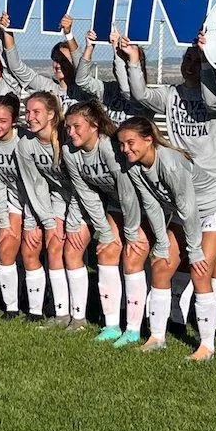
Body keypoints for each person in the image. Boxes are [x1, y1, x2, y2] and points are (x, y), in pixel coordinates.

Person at [124, 33, 216, 333]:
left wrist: (206, 64)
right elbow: (141, 95)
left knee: (213, 259)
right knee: (195, 257)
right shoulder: (171, 94)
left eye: (195, 59)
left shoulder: (214, 91)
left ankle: (210, 324)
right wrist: (134, 61)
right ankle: (177, 317)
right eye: (187, 58)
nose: (190, 64)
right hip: (182, 182)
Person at [117, 116, 216, 361]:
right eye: (122, 144)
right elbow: (152, 204)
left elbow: (189, 208)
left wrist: (194, 250)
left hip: (214, 209)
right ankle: (157, 337)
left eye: (131, 143)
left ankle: (206, 346)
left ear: (149, 140)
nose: (125, 149)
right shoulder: (135, 166)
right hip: (185, 212)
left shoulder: (170, 163)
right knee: (160, 265)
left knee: (200, 270)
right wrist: (161, 243)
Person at [63, 100, 149, 347]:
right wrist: (104, 232)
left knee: (133, 256)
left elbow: (129, 191)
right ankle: (112, 325)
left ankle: (133, 328)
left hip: (141, 203)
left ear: (94, 126)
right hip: (115, 204)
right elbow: (86, 193)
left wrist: (131, 233)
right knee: (106, 252)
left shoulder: (109, 149)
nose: (71, 133)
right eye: (68, 128)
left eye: (77, 126)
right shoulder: (71, 152)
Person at [16, 91, 90, 328]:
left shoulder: (68, 139)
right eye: (27, 112)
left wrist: (70, 222)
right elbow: (35, 187)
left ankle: (79, 318)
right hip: (60, 199)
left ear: (51, 114)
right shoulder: (26, 145)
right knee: (53, 246)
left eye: (36, 112)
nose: (30, 117)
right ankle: (61, 314)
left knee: (72, 250)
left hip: (87, 200)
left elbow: (84, 186)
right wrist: (49, 222)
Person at [0, 93, 37, 319]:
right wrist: (4, 220)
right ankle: (11, 307)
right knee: (5, 245)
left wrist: (31, 221)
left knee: (32, 249)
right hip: (13, 201)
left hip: (38, 204)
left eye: (2, 121)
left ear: (14, 121)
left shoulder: (24, 141)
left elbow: (36, 186)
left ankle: (37, 309)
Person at [0, 13, 89, 112]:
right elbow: (16, 67)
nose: (59, 64)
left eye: (64, 60)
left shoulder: (84, 90)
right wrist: (8, 30)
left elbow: (81, 64)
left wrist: (69, 34)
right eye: (56, 59)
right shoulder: (45, 87)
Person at [75, 26, 152, 124]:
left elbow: (126, 91)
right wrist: (89, 48)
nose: (120, 66)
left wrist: (116, 49)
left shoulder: (146, 96)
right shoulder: (110, 90)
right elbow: (82, 81)